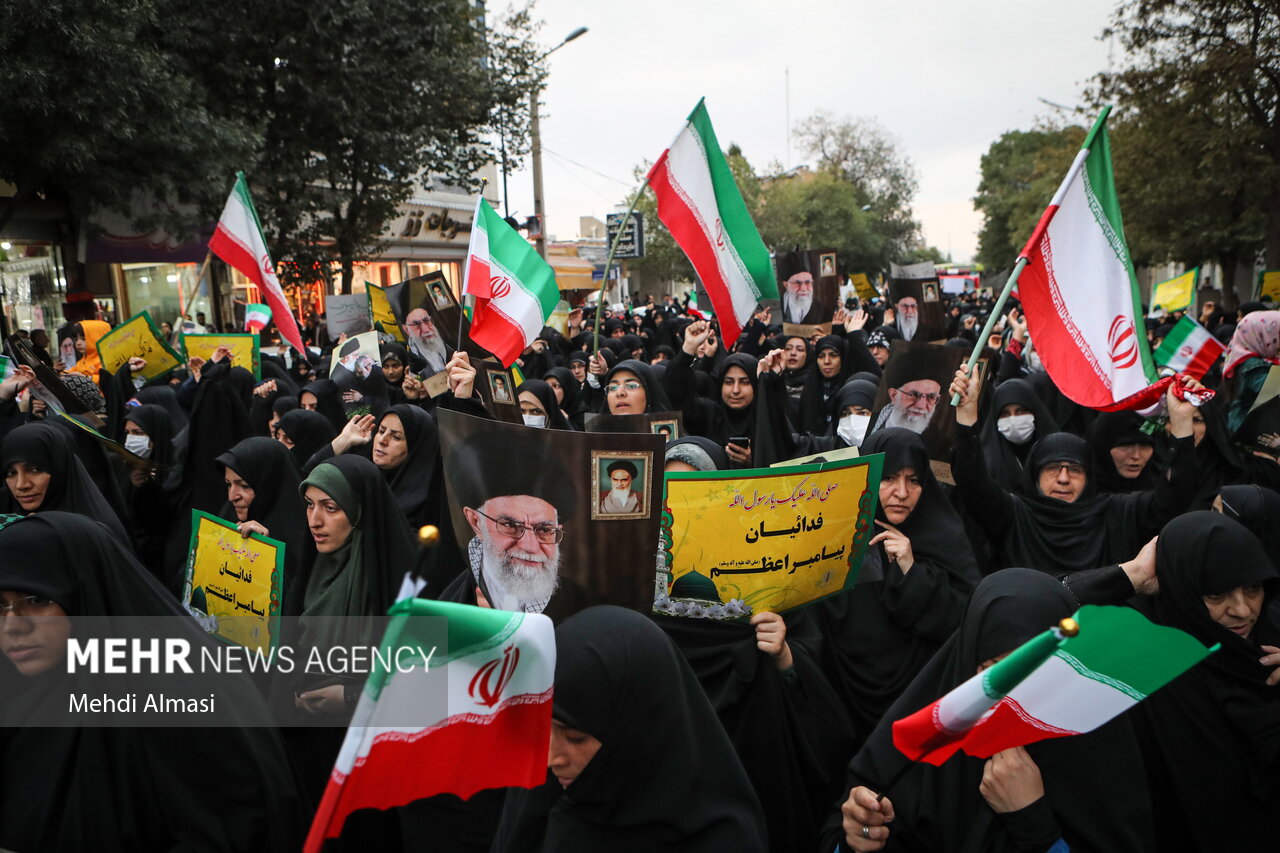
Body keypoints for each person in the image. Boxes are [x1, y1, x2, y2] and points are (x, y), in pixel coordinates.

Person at [0, 512, 304, 852]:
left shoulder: (178, 697)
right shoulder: (16, 694)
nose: (13, 625)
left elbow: (232, 827)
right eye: (0, 606)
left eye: (38, 601)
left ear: (86, 594)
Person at [823, 569, 1155, 852]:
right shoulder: (919, 745)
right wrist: (856, 837)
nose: (1012, 695)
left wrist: (1034, 822)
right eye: (995, 670)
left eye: (1034, 671)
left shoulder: (1098, 747)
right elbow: (847, 829)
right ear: (968, 662)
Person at [491, 606, 768, 852]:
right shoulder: (539, 799)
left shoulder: (722, 840)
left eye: (575, 737)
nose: (551, 758)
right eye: (540, 726)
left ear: (637, 730)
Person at [794, 428, 978, 744]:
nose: (902, 492)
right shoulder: (833, 544)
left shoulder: (944, 538)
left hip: (923, 705)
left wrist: (912, 570)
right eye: (888, 478)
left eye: (914, 480)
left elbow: (966, 620)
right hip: (842, 706)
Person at [949, 363, 1201, 575]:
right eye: (1052, 468)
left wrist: (1181, 423)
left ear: (1089, 476)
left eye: (1075, 470)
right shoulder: (1015, 516)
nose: (1063, 479)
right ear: (1035, 473)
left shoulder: (1116, 513)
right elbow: (973, 484)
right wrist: (967, 415)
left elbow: (1172, 498)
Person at [1131, 512, 1279, 851]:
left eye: (1253, 588)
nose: (1242, 610)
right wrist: (1131, 576)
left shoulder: (1271, 641)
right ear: (1181, 589)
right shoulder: (1146, 666)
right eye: (1216, 595)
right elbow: (1034, 617)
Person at [1, 421, 129, 543]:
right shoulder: (6, 517)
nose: (21, 485)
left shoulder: (96, 533)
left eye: (35, 470)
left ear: (59, 468)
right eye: (12, 473)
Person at [874, 376, 942, 435]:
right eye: (913, 395)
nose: (921, 406)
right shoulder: (871, 420)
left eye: (931, 397)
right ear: (894, 395)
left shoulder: (940, 444)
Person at [402, 307, 449, 375]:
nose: (426, 329)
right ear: (406, 329)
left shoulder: (449, 347)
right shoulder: (410, 360)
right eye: (416, 324)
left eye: (426, 320)